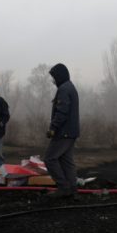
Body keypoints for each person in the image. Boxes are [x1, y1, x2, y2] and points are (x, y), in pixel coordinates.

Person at [45, 63, 80, 198]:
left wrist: (53, 128)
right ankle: (72, 189)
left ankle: (63, 187)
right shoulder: (70, 87)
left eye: (54, 77)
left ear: (59, 76)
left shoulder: (64, 89)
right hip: (71, 132)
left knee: (50, 159)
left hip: (63, 132)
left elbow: (62, 112)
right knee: (66, 160)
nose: (53, 80)